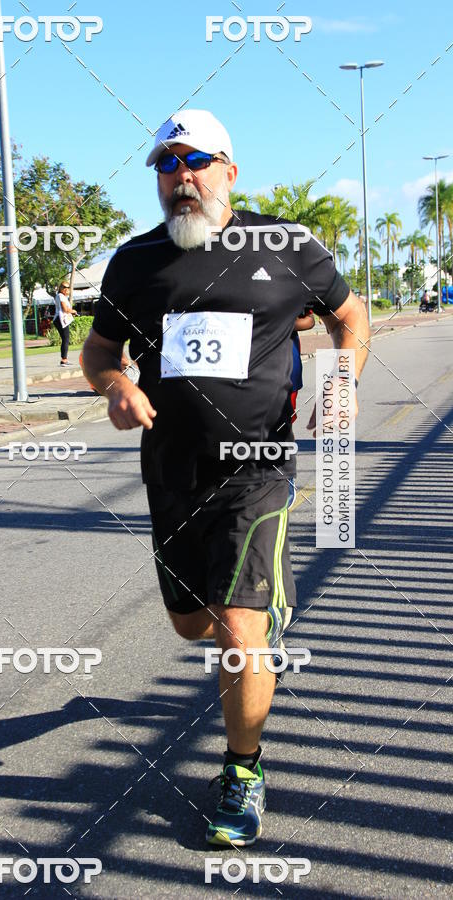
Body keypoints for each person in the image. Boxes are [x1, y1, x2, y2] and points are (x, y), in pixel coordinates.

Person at [83, 109, 370, 846]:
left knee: (240, 636)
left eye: (197, 162)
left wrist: (344, 381)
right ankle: (249, 619)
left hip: (259, 472)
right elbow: (98, 351)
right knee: (192, 625)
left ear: (230, 171)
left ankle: (243, 768)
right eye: (167, 166)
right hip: (171, 473)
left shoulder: (286, 245)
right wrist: (116, 384)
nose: (182, 178)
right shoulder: (135, 261)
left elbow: (350, 316)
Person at [287, 307, 315, 508]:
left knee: (282, 425)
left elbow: (309, 320)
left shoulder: (293, 277)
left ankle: (285, 480)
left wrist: (276, 320)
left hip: (285, 366)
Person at [52, 280, 78, 366]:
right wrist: (73, 311)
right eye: (64, 287)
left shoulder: (62, 297)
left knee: (65, 339)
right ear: (61, 288)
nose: (66, 289)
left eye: (68, 287)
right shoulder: (60, 296)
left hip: (61, 319)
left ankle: (64, 359)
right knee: (66, 339)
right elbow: (65, 309)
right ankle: (64, 360)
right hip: (60, 320)